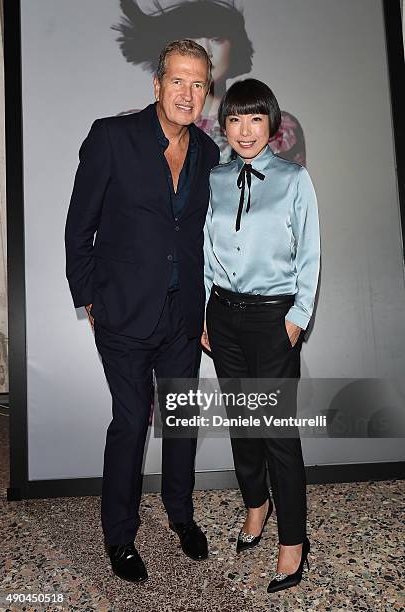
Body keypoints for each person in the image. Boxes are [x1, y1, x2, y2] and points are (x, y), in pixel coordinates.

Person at [65, 39, 220, 583]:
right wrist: (89, 298)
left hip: (182, 315)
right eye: (176, 80)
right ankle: (120, 535)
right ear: (156, 85)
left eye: (197, 83)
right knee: (131, 423)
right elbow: (79, 225)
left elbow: (198, 235)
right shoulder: (111, 137)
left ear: (207, 92)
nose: (186, 93)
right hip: (124, 312)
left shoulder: (207, 153)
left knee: (180, 422)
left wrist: (204, 309)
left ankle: (181, 515)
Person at [202, 79, 320, 593]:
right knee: (243, 425)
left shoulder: (295, 179)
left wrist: (299, 315)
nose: (245, 130)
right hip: (222, 316)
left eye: (255, 119)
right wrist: (205, 309)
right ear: (224, 126)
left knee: (276, 432)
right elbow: (205, 245)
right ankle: (257, 506)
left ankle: (293, 540)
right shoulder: (216, 178)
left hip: (274, 319)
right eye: (234, 119)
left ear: (271, 124)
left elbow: (311, 252)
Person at [113, 0, 306, 164]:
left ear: (235, 46)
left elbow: (292, 202)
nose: (207, 52)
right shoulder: (133, 128)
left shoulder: (277, 128)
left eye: (217, 39)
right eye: (193, 42)